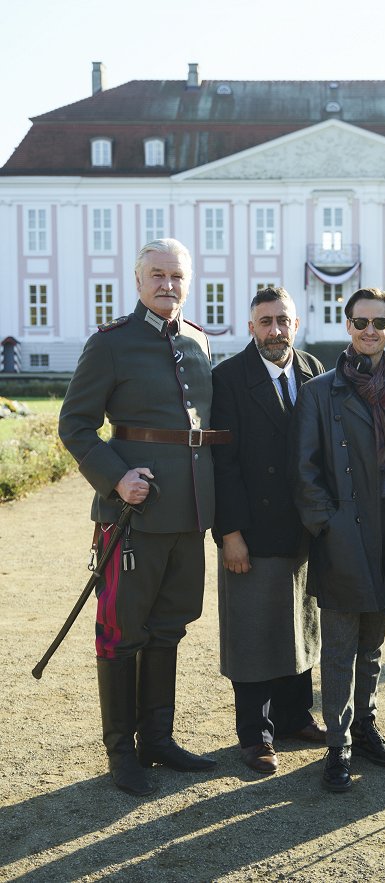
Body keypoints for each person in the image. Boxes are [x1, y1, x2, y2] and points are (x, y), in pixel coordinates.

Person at [59, 238, 221, 796]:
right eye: (157, 275)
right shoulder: (110, 344)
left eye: (177, 276)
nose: (167, 285)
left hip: (188, 514)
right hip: (132, 514)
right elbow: (75, 425)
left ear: (188, 281)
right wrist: (115, 477)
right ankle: (121, 754)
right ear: (137, 280)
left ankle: (158, 740)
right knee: (122, 633)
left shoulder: (200, 341)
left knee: (168, 629)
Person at [291, 287, 385, 792]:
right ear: (347, 326)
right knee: (341, 646)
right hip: (345, 528)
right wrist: (327, 524)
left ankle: (365, 728)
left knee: (373, 643)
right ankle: (337, 746)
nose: (370, 331)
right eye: (360, 322)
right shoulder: (322, 390)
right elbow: (305, 469)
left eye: (379, 322)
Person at [210, 287, 326, 774]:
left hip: (305, 528)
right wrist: (228, 532)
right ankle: (255, 736)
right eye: (265, 321)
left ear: (296, 325)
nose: (275, 330)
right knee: (253, 632)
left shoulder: (313, 372)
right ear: (251, 326)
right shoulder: (229, 378)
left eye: (283, 320)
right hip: (252, 530)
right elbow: (222, 464)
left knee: (301, 624)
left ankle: (296, 717)